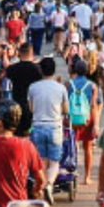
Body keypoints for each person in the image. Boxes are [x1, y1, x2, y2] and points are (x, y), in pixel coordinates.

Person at [27, 55, 70, 199]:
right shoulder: (61, 88)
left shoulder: (33, 87)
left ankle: (41, 187)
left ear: (40, 70)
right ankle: (50, 185)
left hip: (38, 126)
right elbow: (65, 110)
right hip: (55, 127)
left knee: (42, 162)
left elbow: (31, 108)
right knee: (54, 162)